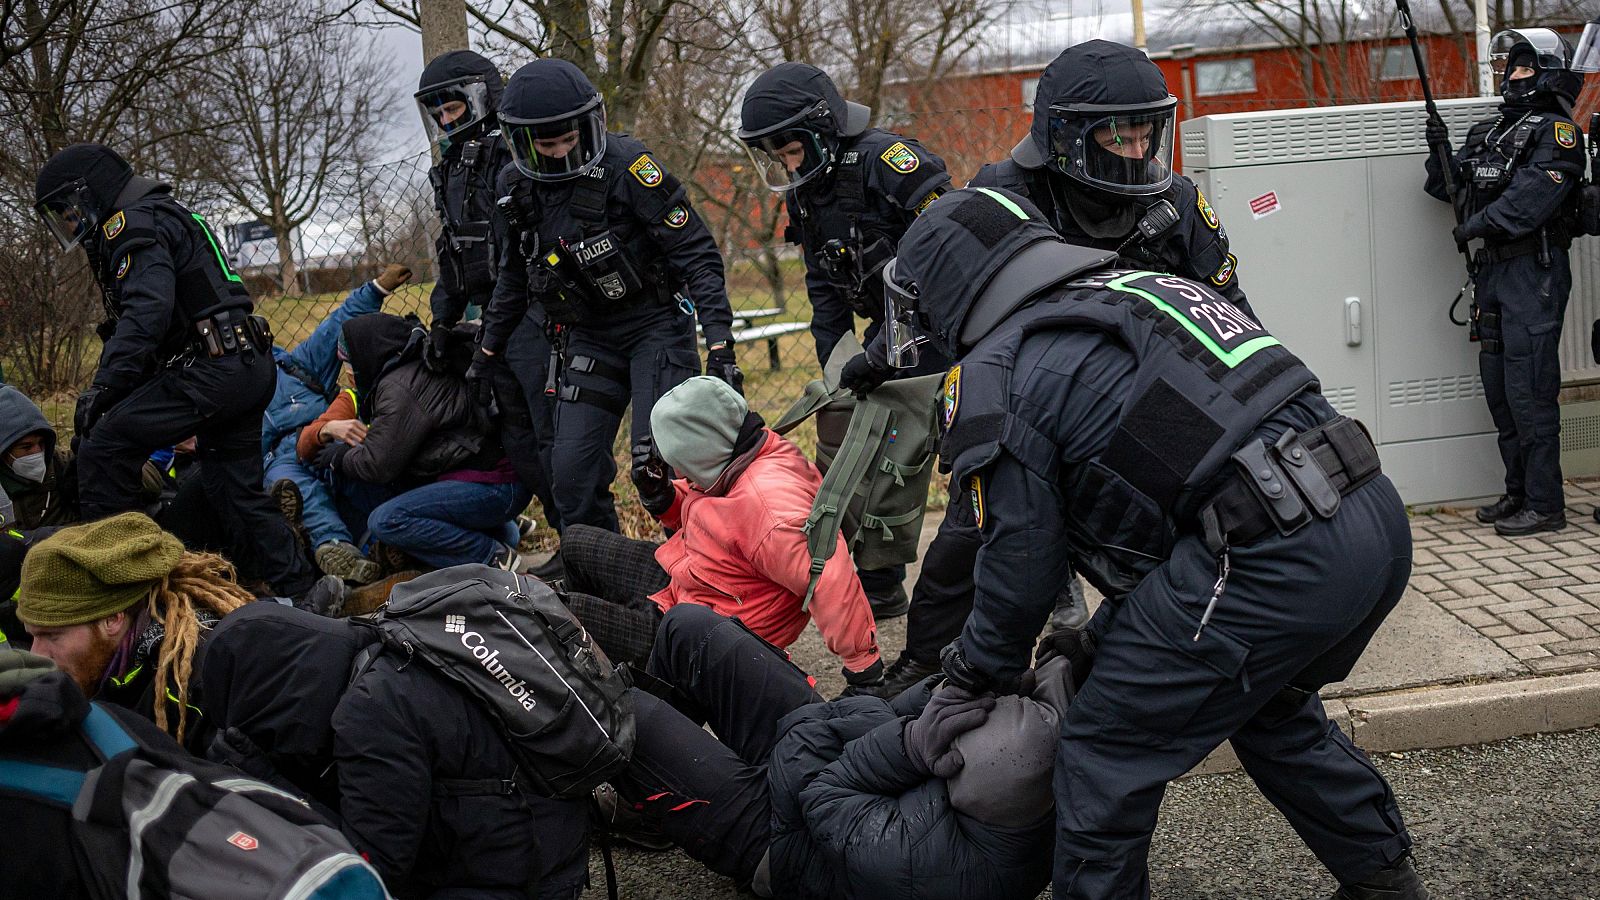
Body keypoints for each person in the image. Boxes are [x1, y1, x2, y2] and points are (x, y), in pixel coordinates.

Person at [887, 187, 1426, 899]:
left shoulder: (998, 372)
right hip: (1370, 520)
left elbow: (1020, 562)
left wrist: (971, 679)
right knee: (1269, 710)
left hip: (1266, 556)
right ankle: (1384, 882)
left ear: (948, 290)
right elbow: (1188, 479)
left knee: (1103, 753)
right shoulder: (1143, 288)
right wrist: (1103, 640)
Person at [869, 39, 1259, 697]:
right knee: (971, 535)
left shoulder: (1179, 206)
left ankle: (1151, 664)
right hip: (1026, 401)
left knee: (1170, 543)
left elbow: (1232, 316)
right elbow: (946, 301)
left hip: (1145, 406)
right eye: (1120, 138)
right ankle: (927, 664)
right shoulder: (1001, 199)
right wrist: (882, 360)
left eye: (1147, 135)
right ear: (1068, 138)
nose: (1138, 153)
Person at [609, 604, 1060, 899]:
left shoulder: (925, 864)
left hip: (785, 841)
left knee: (622, 712)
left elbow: (817, 793)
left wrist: (904, 744)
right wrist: (948, 689)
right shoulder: (1011, 782)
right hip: (830, 761)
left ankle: (654, 800)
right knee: (689, 631)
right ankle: (654, 805)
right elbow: (895, 717)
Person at [32, 143, 314, 600]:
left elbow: (147, 312)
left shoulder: (132, 224)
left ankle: (126, 595)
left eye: (70, 211)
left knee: (104, 448)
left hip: (212, 370)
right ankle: (300, 591)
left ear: (93, 191)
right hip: (246, 365)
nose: (71, 224)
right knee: (234, 488)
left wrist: (103, 388)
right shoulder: (165, 213)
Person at [480, 59, 739, 532]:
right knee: (572, 477)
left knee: (659, 466)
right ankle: (606, 581)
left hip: (654, 327)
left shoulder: (629, 167)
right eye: (547, 144)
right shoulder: (513, 189)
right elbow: (513, 279)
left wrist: (720, 342)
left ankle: (697, 575)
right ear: (520, 141)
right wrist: (487, 351)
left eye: (569, 140)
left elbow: (696, 253)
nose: (560, 153)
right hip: (588, 336)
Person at [736, 62, 954, 620]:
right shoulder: (806, 193)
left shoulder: (889, 163)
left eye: (791, 152)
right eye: (776, 156)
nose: (787, 166)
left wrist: (885, 353)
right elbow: (822, 287)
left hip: (948, 324)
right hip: (882, 328)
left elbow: (948, 251)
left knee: (934, 448)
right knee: (848, 430)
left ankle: (988, 578)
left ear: (822, 133)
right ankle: (874, 577)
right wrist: (838, 362)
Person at [197, 600, 591, 899]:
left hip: (533, 868)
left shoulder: (367, 716)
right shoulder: (379, 651)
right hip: (535, 830)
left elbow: (373, 873)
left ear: (267, 690)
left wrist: (271, 785)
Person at [557, 376, 883, 690]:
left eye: (677, 460)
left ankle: (625, 692)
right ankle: (604, 671)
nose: (678, 471)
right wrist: (664, 497)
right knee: (576, 542)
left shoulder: (769, 509)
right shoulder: (740, 452)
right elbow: (714, 520)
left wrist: (863, 670)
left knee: (555, 614)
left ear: (699, 451)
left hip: (710, 637)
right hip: (697, 585)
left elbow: (829, 575)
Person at [1424, 28, 1586, 536]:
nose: (1509, 76)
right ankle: (1518, 493)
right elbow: (1443, 188)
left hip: (1532, 273)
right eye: (1507, 67)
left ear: (1543, 72)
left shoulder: (1559, 133)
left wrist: (1473, 227)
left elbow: (1529, 204)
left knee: (1530, 388)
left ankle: (1546, 503)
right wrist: (1440, 150)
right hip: (1492, 274)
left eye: (1520, 66)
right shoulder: (1488, 131)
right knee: (1499, 389)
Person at [417, 50, 564, 544]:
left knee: (552, 439)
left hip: (530, 316)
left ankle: (585, 542)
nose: (443, 119)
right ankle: (572, 544)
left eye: (451, 107)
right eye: (436, 110)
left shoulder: (510, 153)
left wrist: (493, 334)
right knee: (521, 441)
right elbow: (454, 251)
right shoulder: (452, 165)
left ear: (478, 97)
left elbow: (515, 258)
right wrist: (443, 318)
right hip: (492, 323)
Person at [13, 512, 254, 754]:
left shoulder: (197, 683)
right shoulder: (123, 668)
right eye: (32, 636)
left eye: (52, 636)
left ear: (112, 619)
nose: (38, 654)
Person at [306, 313, 527, 571]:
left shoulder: (399, 387)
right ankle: (503, 536)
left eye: (348, 362)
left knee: (387, 520)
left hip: (494, 486)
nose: (348, 372)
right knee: (404, 497)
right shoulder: (409, 369)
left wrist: (338, 457)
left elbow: (378, 465)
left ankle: (492, 557)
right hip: (499, 480)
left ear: (367, 354)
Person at [264, 264, 413, 585]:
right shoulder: (220, 393)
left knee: (356, 466)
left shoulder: (291, 366)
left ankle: (382, 544)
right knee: (297, 488)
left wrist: (376, 289)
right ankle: (337, 549)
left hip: (326, 435)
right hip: (279, 458)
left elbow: (336, 328)